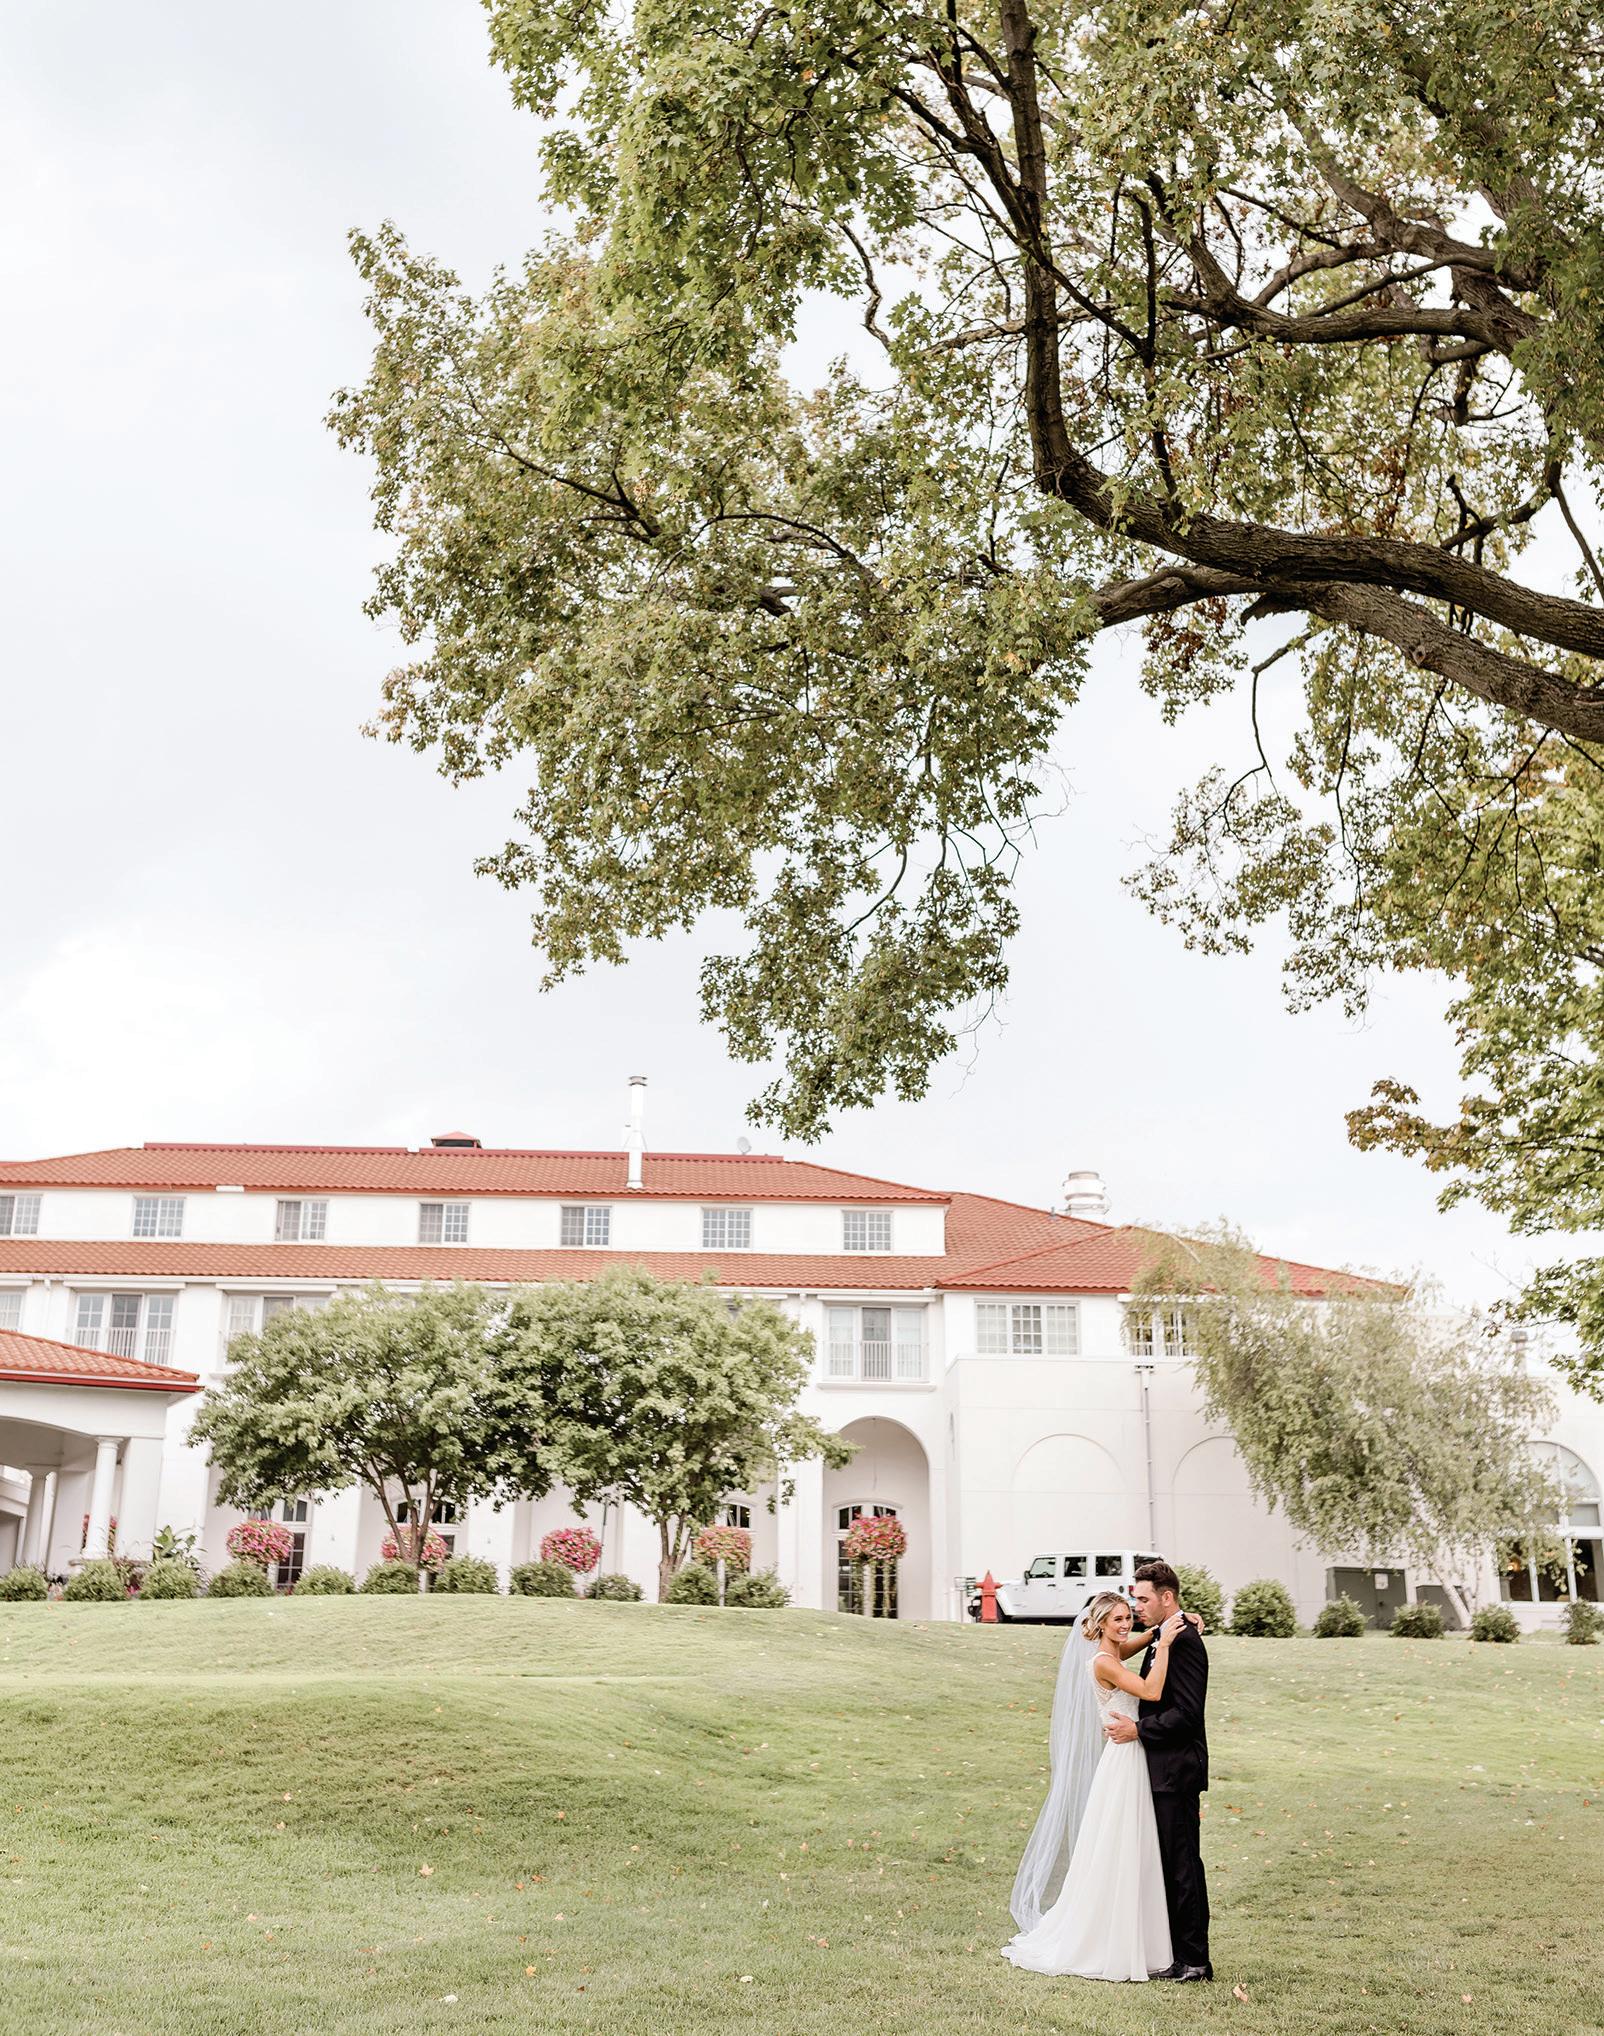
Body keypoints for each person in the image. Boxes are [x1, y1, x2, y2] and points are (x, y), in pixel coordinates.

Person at [1001, 1589, 1187, 1981]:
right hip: (1124, 1760)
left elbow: (1136, 1641)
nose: (1126, 1624)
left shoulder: (1113, 1652)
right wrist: (1167, 1644)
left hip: (1127, 1757)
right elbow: (1151, 1691)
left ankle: (1139, 1936)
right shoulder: (1104, 1662)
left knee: (1129, 1843)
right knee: (1119, 1844)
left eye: (1128, 1616)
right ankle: (1107, 1937)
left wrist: (1166, 1627)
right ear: (1100, 1623)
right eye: (1117, 1619)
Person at [1102, 1559, 1212, 1981]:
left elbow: (1187, 1713)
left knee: (1183, 1864)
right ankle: (1178, 1955)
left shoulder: (1184, 1642)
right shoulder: (1165, 1634)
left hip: (1176, 1769)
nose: (1137, 1606)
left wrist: (1138, 1729)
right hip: (1157, 1768)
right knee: (1167, 1863)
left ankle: (1195, 1960)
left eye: (1144, 1599)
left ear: (1167, 1597)